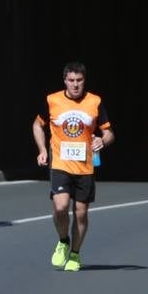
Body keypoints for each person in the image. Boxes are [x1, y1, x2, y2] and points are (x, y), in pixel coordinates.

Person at [33, 61, 113, 272]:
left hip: (85, 167)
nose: (75, 84)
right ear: (65, 81)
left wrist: (102, 141)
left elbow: (109, 132)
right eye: (71, 80)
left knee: (80, 213)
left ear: (84, 81)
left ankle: (75, 254)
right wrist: (42, 150)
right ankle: (63, 240)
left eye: (79, 80)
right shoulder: (52, 100)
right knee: (60, 207)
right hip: (60, 162)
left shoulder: (94, 101)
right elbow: (37, 125)